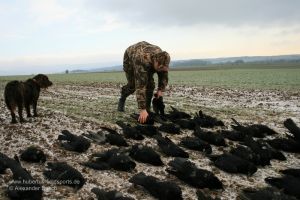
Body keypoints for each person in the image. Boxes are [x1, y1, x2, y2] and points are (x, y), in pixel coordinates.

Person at [118, 41, 170, 124]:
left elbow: (163, 75)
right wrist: (142, 109)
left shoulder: (162, 57)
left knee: (150, 85)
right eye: (159, 68)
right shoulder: (141, 61)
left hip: (146, 58)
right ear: (155, 62)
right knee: (133, 86)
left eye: (163, 68)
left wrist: (160, 90)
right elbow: (140, 86)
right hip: (130, 60)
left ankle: (148, 109)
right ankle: (122, 98)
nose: (161, 70)